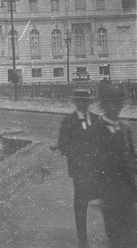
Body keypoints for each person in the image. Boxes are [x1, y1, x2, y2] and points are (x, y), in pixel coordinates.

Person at [92, 84, 137, 248]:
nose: (116, 107)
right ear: (103, 105)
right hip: (110, 195)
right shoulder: (97, 130)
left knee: (132, 237)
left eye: (119, 103)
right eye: (111, 103)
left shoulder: (125, 130)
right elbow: (93, 165)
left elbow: (132, 160)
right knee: (116, 239)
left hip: (129, 194)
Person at [57, 89, 102, 248]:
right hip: (79, 169)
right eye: (80, 101)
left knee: (106, 198)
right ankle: (82, 237)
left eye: (86, 101)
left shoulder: (98, 120)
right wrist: (79, 157)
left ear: (90, 102)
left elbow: (103, 143)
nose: (83, 104)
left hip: (97, 169)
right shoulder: (68, 121)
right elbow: (63, 145)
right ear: (75, 102)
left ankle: (112, 232)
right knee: (81, 203)